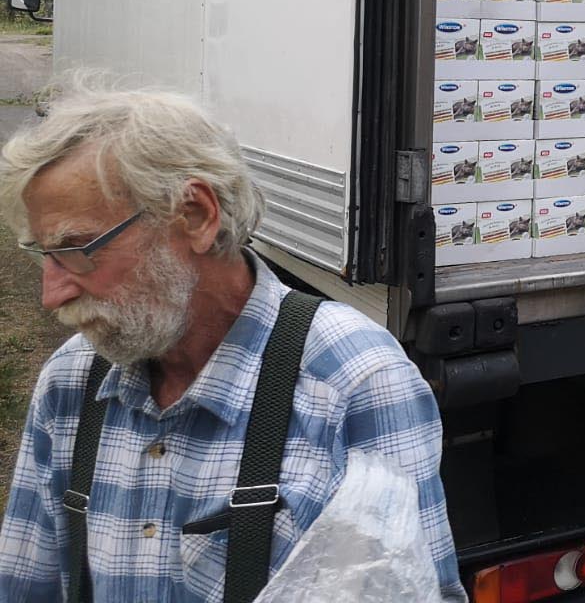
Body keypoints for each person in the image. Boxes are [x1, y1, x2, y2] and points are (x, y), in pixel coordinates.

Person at [0, 84, 465, 602]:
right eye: (43, 255)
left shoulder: (353, 379)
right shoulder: (71, 382)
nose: (52, 295)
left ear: (195, 216)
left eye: (77, 250)